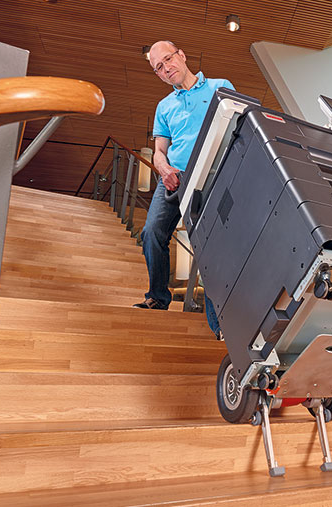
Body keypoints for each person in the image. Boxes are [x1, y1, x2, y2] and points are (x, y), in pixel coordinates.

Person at [133, 41, 231, 340]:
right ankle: (158, 297)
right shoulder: (164, 106)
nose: (165, 69)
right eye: (158, 68)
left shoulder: (219, 86)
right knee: (151, 232)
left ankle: (219, 324)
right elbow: (159, 150)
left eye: (168, 60)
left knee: (208, 246)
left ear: (182, 56)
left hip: (210, 176)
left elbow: (235, 127)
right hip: (173, 177)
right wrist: (163, 169)